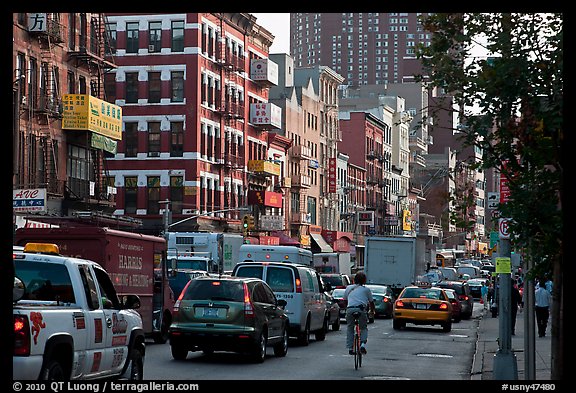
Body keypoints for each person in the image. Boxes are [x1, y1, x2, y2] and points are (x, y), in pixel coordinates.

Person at [343, 271, 375, 355]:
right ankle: (362, 344)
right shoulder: (366, 290)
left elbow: (345, 300)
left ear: (354, 280)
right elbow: (371, 302)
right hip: (361, 309)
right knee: (363, 328)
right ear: (364, 281)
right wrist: (372, 311)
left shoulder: (348, 288)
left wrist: (348, 308)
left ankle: (350, 348)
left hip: (350, 309)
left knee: (350, 328)